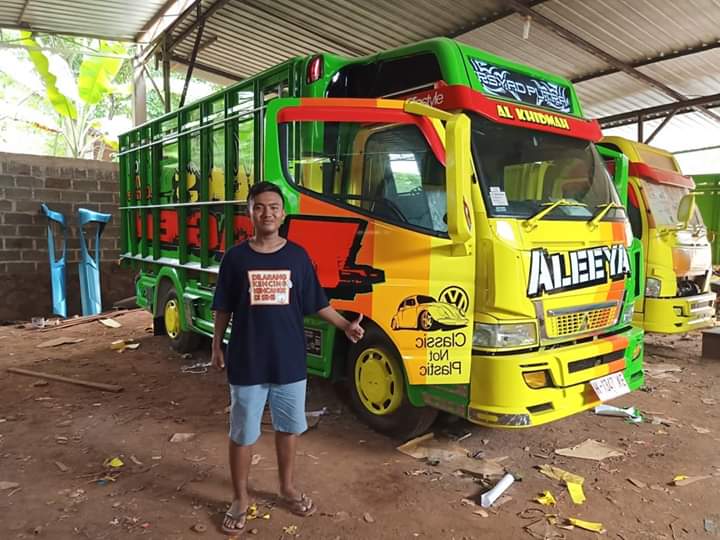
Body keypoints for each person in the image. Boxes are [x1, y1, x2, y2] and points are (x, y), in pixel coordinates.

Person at [211, 181, 364, 535]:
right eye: (259, 206)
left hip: (289, 362)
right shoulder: (236, 258)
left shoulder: (296, 256)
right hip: (247, 361)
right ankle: (239, 498)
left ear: (283, 213)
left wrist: (344, 325)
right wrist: (217, 344)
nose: (267, 213)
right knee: (242, 433)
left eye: (274, 207)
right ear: (249, 212)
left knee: (288, 429)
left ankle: (287, 487)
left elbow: (316, 301)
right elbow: (223, 307)